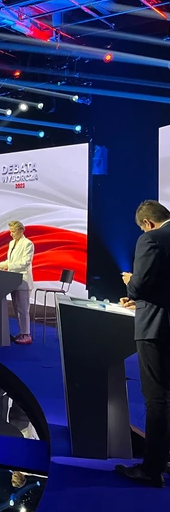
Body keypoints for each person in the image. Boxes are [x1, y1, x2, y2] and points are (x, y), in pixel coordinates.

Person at [116, 200, 170, 488]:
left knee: (158, 398)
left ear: (147, 223)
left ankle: (151, 469)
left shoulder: (150, 239)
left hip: (157, 329)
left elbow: (139, 285)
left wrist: (131, 281)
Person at [0, 220, 34, 345]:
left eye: (13, 231)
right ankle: (22, 332)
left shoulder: (28, 244)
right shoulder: (11, 243)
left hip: (23, 280)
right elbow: (9, 261)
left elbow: (25, 263)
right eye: (10, 231)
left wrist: (7, 266)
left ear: (21, 231)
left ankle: (26, 335)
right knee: (16, 309)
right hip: (12, 279)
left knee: (23, 309)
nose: (11, 234)